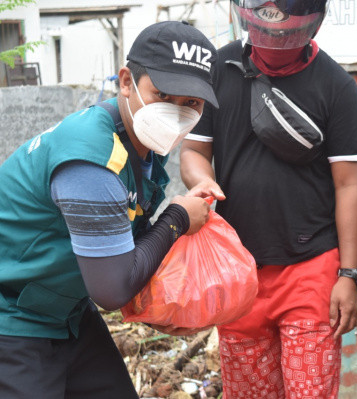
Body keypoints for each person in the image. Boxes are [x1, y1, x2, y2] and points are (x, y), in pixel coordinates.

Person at [0, 21, 218, 399]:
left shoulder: (139, 148)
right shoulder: (91, 159)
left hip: (64, 309)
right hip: (14, 317)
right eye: (163, 94)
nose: (175, 113)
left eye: (191, 104)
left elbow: (130, 246)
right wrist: (178, 218)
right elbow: (112, 289)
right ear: (127, 82)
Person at [180, 0, 357, 397]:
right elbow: (195, 152)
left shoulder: (335, 85)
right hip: (238, 272)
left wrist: (348, 275)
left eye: (286, 35)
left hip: (311, 271)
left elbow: (349, 186)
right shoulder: (221, 69)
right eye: (265, 31)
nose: (273, 41)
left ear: (311, 29)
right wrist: (202, 181)